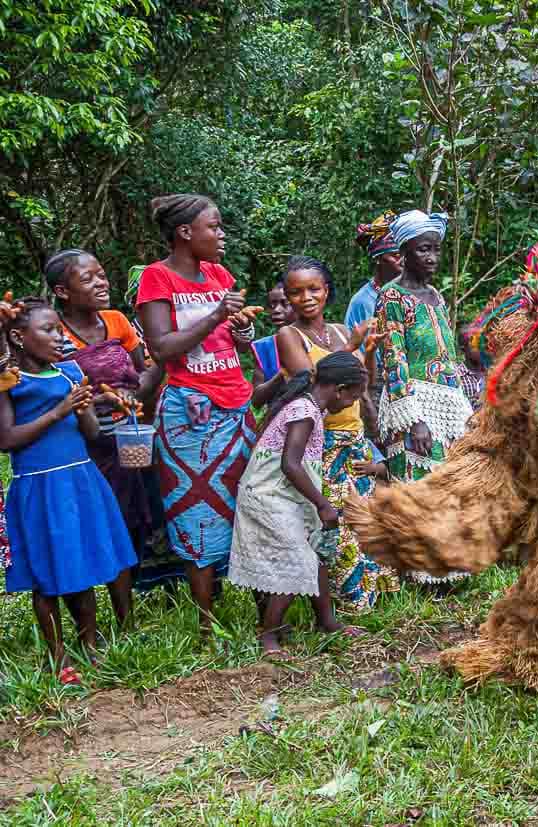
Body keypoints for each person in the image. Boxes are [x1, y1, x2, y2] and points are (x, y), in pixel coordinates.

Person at [136, 193, 260, 637]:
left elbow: (232, 338)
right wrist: (214, 316)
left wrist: (242, 330)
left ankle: (261, 610)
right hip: (190, 414)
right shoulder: (157, 278)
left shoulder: (219, 274)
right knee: (195, 510)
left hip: (236, 404)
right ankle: (207, 625)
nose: (221, 234)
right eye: (215, 226)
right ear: (186, 233)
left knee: (249, 500)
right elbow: (162, 348)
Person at [0, 299, 137, 684]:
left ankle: (89, 646)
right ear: (18, 337)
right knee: (47, 572)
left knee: (81, 565)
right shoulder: (12, 383)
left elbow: (91, 434)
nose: (58, 337)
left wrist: (85, 409)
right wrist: (60, 412)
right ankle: (57, 654)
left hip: (80, 479)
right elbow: (7, 439)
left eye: (59, 329)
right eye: (48, 330)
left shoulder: (70, 373)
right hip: (40, 486)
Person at [276, 255, 398, 613]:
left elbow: (362, 383)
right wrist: (351, 349)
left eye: (314, 289)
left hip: (355, 440)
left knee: (367, 519)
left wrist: (369, 353)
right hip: (321, 443)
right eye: (296, 292)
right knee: (336, 525)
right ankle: (345, 605)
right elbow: (313, 382)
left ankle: (375, 598)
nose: (306, 297)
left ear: (327, 291)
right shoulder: (289, 335)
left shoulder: (341, 331)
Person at [228, 352, 370, 657]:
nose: (351, 404)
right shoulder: (304, 411)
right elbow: (290, 465)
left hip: (282, 495)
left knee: (316, 555)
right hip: (268, 496)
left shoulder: (310, 408)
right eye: (353, 397)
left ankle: (327, 621)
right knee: (300, 562)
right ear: (339, 390)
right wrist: (322, 505)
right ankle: (269, 637)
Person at [45, 249, 169, 597]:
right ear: (62, 292)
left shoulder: (115, 320)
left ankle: (138, 591)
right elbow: (51, 390)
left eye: (101, 274)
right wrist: (100, 398)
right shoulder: (53, 334)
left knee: (139, 513)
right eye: (87, 278)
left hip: (131, 434)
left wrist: (147, 379)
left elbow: (143, 373)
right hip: (86, 441)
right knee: (102, 517)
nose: (101, 283)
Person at [374, 209, 475, 588]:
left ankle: (449, 570)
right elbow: (393, 358)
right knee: (419, 487)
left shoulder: (435, 296)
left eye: (435, 250)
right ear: (404, 254)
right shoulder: (391, 297)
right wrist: (412, 417)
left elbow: (449, 355)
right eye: (423, 250)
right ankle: (420, 576)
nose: (431, 258)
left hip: (448, 402)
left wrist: (463, 404)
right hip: (414, 403)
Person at [347, 211, 403, 329]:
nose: (404, 260)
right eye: (396, 255)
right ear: (378, 258)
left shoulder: (413, 294)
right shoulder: (362, 302)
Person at [250, 281, 293, 410]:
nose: (276, 310)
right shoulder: (264, 348)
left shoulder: (316, 340)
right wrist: (281, 376)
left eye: (285, 304)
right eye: (272, 305)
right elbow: (256, 401)